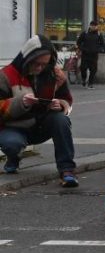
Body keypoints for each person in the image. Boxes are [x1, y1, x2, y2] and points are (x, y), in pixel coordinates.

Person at [0, 36, 78, 185]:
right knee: (12, 144)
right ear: (27, 57)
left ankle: (67, 170)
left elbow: (67, 100)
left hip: (42, 124)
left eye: (44, 64)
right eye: (36, 63)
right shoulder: (6, 75)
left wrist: (61, 105)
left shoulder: (55, 74)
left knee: (61, 120)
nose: (39, 68)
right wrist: (20, 103)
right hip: (14, 127)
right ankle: (13, 157)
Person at [76, 20, 104, 88]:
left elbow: (102, 44)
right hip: (85, 54)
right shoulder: (85, 33)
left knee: (93, 70)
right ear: (90, 26)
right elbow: (78, 42)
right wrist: (82, 49)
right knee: (83, 68)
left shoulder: (99, 34)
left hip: (94, 55)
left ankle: (90, 83)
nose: (93, 27)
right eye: (92, 26)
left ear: (97, 27)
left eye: (95, 26)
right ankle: (83, 79)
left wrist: (99, 49)